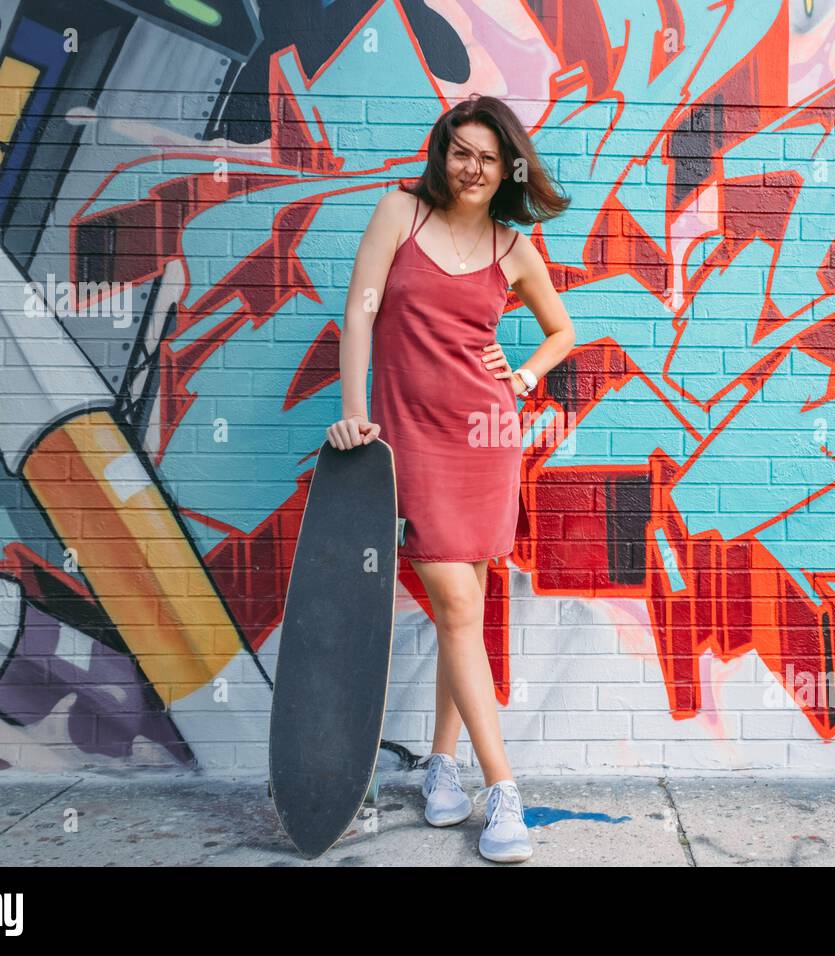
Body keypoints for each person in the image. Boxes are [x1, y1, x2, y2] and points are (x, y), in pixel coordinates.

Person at [325, 94, 574, 863]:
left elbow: (564, 332)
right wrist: (354, 415)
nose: (472, 168)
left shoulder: (513, 247)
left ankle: (442, 767)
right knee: (459, 603)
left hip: (486, 438)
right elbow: (361, 312)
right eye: (461, 151)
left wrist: (526, 374)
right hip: (409, 443)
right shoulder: (401, 212)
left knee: (456, 611)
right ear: (443, 154)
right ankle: (503, 790)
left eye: (488, 157)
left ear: (510, 168)